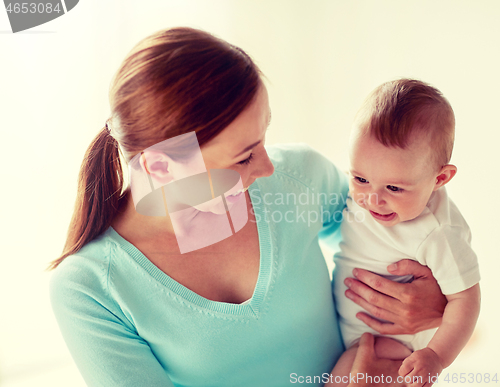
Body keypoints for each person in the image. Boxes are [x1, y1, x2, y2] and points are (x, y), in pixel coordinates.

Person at [48, 28, 447, 387]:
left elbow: (401, 229)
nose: (268, 166)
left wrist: (438, 302)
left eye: (263, 138)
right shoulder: (90, 289)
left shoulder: (298, 178)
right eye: (243, 158)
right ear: (160, 166)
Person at [331, 79, 481, 386]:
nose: (373, 198)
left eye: (394, 188)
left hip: (396, 349)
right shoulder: (357, 193)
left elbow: (466, 300)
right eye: (359, 178)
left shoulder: (438, 233)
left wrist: (436, 357)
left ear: (440, 177)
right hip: (350, 334)